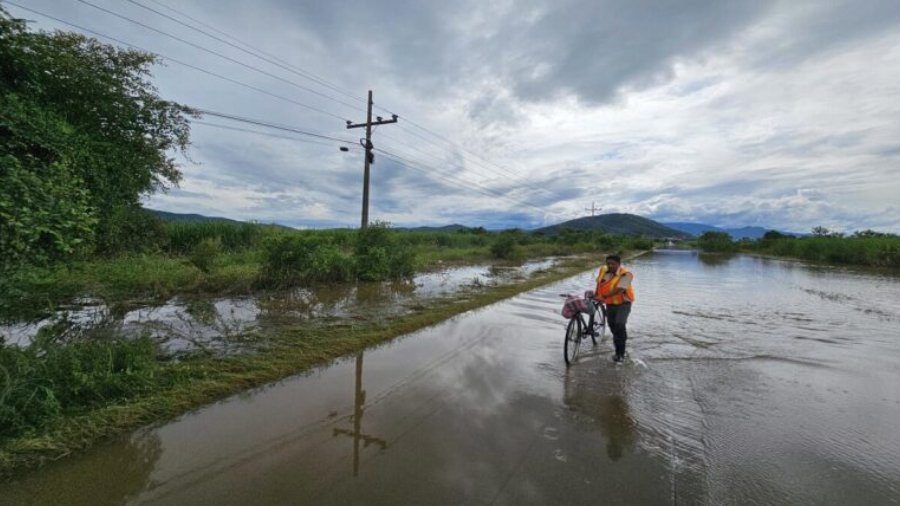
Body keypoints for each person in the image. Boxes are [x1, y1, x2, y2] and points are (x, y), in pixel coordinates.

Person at [594, 254, 635, 363]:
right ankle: (621, 341)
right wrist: (596, 295)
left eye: (613, 264)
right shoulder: (603, 270)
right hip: (610, 304)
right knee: (613, 327)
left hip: (624, 304)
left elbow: (619, 289)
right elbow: (599, 283)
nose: (610, 266)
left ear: (619, 264)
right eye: (608, 263)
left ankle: (620, 353)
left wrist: (603, 297)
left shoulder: (626, 274)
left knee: (620, 324)